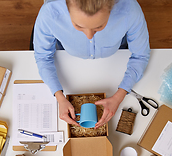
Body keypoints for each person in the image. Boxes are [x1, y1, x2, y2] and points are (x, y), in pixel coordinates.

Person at [33, 0, 150, 129]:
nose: (89, 36)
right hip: (66, 58)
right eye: (78, 26)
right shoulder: (50, 13)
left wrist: (119, 96)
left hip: (117, 56)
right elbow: (43, 57)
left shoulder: (129, 10)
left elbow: (140, 55)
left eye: (99, 27)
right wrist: (59, 97)